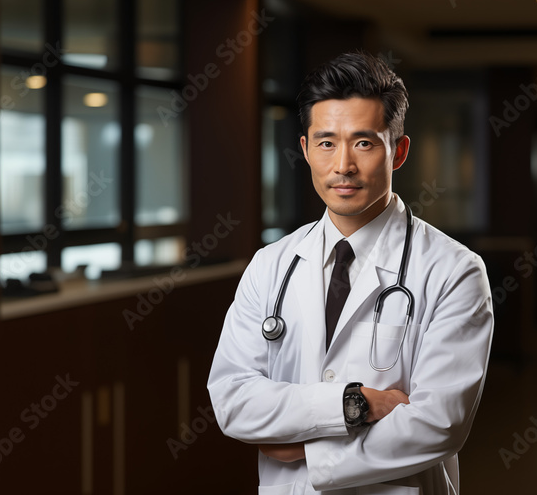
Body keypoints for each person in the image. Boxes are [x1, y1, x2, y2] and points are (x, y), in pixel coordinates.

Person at [207, 51, 494, 494]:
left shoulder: (453, 270)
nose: (343, 165)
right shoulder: (271, 265)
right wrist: (354, 406)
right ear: (305, 150)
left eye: (364, 142)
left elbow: (439, 425)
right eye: (326, 143)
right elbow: (232, 400)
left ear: (397, 151)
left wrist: (300, 447)